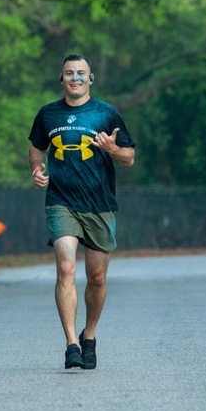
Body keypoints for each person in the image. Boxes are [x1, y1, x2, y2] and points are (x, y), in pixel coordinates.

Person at [28, 54, 136, 371]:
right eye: (69, 73)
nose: (75, 78)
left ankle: (88, 335)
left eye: (81, 73)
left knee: (97, 278)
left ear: (90, 79)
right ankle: (71, 345)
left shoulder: (106, 114)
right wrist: (37, 168)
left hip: (100, 204)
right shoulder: (47, 114)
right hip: (61, 200)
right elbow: (37, 146)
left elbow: (128, 158)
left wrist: (111, 148)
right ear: (61, 79)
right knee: (65, 269)